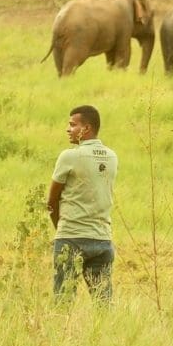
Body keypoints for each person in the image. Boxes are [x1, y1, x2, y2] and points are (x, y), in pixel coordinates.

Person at [46, 105, 117, 303]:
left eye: (72, 125)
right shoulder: (112, 156)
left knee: (62, 301)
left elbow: (51, 201)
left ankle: (61, 334)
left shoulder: (69, 156)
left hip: (71, 237)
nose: (68, 129)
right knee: (103, 303)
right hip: (103, 239)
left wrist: (61, 229)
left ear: (86, 129)